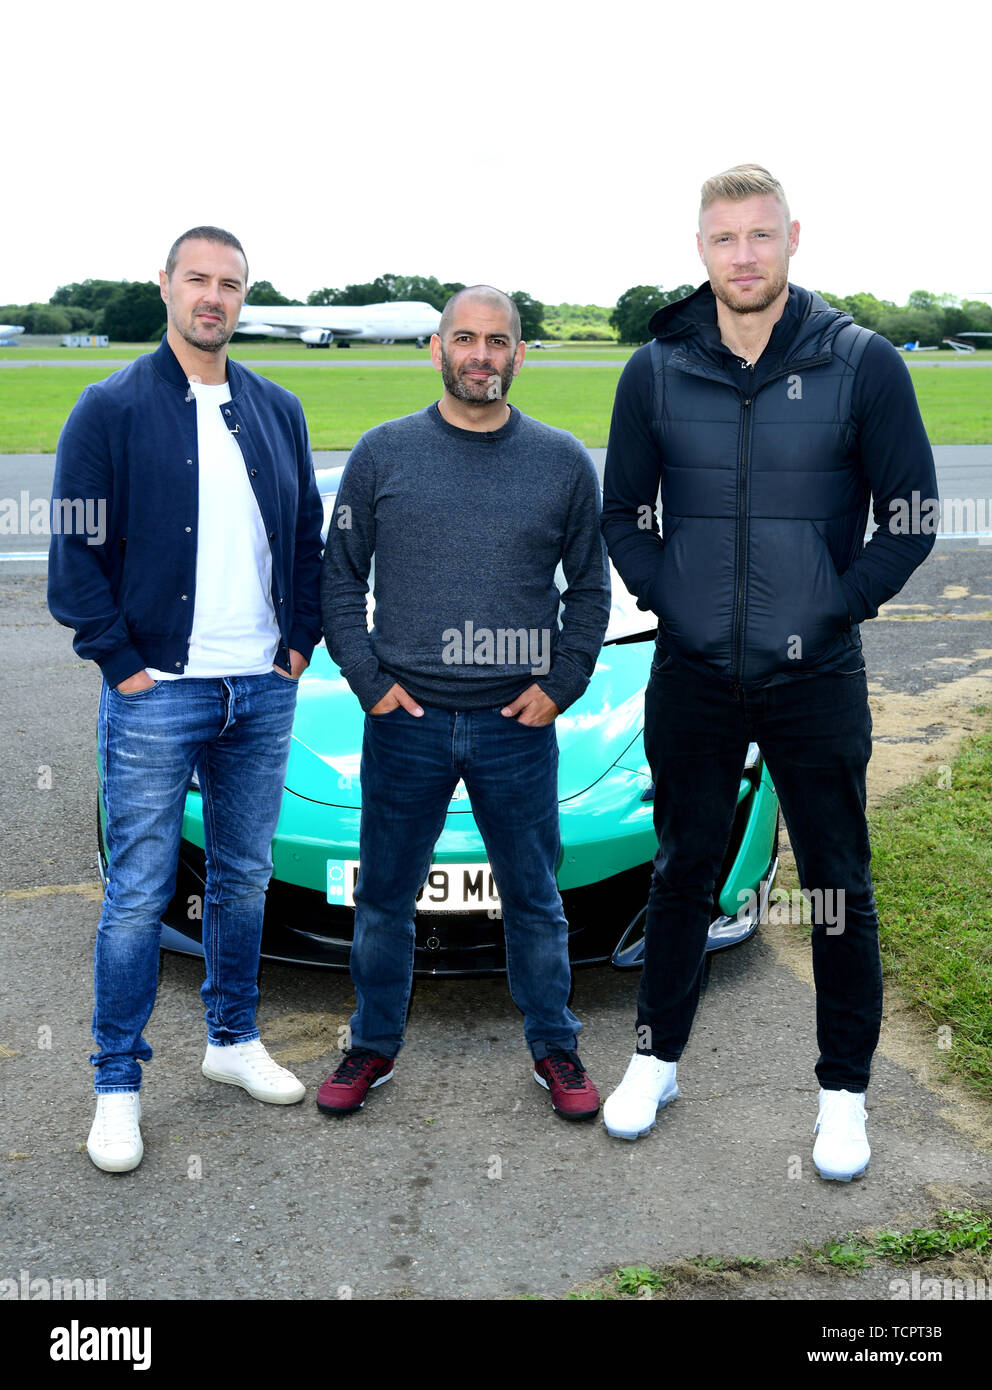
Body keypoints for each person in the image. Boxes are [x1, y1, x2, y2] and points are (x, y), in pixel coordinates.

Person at [599, 166, 938, 1178]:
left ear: (792, 236)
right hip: (694, 671)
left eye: (759, 234)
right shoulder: (655, 368)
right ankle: (654, 1060)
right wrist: (672, 597)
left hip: (815, 674)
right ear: (699, 249)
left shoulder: (861, 361)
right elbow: (622, 513)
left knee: (836, 884)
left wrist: (831, 604)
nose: (742, 255)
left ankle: (842, 1095)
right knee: (681, 872)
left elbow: (910, 516)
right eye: (723, 238)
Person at [48, 226, 324, 1171]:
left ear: (244, 297)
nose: (214, 297)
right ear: (165, 285)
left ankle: (232, 1039)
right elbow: (74, 553)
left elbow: (306, 539)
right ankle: (116, 1084)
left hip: (261, 686)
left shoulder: (277, 408)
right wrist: (122, 662)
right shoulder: (110, 407)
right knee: (138, 893)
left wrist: (297, 647)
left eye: (230, 284)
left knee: (243, 879)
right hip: (157, 690)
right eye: (197, 279)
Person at [319, 286, 611, 1121]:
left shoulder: (561, 460)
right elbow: (338, 578)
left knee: (534, 897)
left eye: (498, 341)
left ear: (519, 354)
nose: (481, 355)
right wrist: (369, 681)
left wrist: (560, 685)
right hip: (405, 723)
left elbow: (591, 588)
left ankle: (554, 1045)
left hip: (513, 727)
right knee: (385, 897)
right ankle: (372, 1044)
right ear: (437, 348)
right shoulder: (383, 453)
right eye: (465, 339)